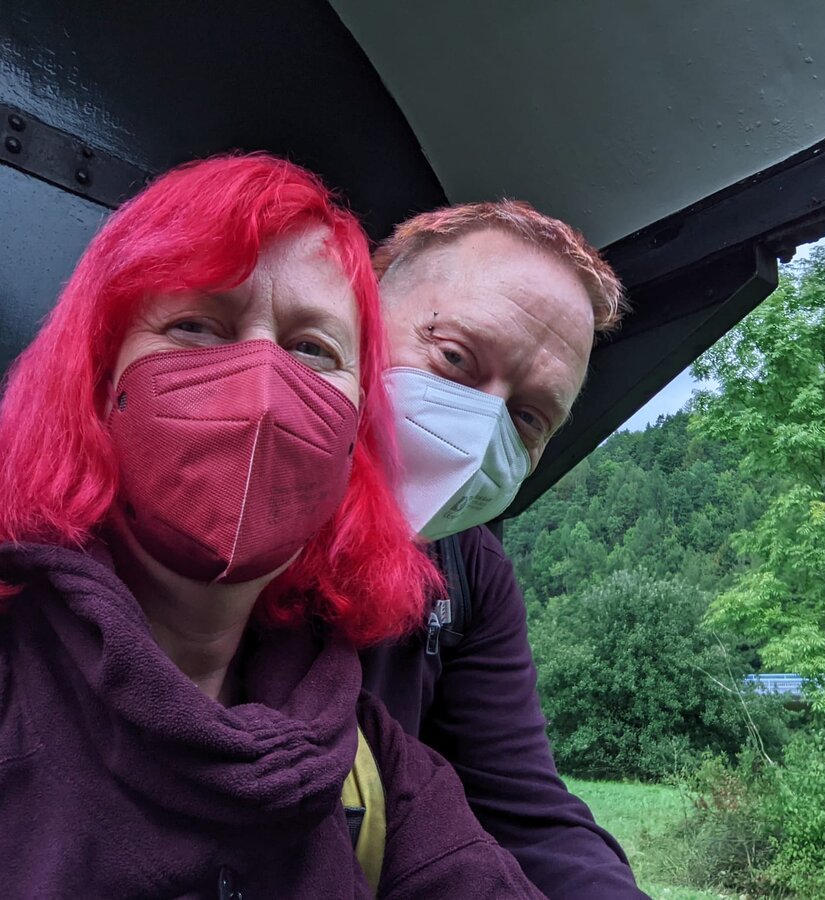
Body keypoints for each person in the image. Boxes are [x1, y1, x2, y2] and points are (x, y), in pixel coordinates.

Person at [0, 156, 544, 899]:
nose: (261, 389)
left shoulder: (374, 767)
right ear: (99, 379)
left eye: (312, 349)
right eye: (197, 325)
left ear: (357, 432)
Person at [360, 202, 650, 899]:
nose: (481, 426)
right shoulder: (228, 490)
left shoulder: (470, 572)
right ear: (359, 319)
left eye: (528, 416)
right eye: (455, 357)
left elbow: (524, 811)